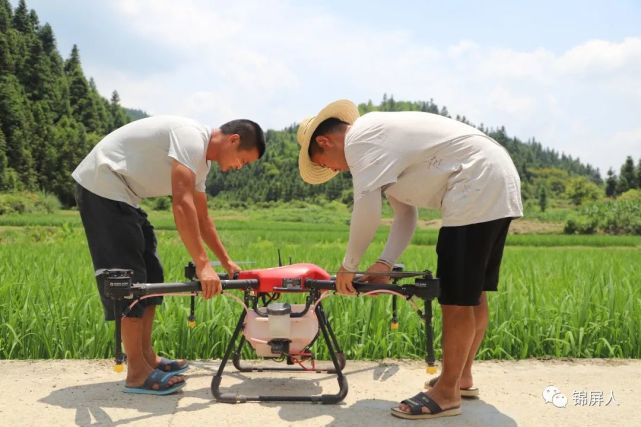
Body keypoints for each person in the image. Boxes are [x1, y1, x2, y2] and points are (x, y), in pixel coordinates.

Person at [296, 99, 522, 419]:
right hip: (494, 176)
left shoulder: (360, 140)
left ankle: (447, 393)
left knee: (456, 299)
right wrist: (384, 263)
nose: (335, 171)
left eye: (327, 165)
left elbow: (366, 204)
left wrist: (349, 266)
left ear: (324, 141)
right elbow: (405, 214)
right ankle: (461, 378)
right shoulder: (382, 146)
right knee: (472, 293)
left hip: (473, 182)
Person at [73, 115, 265, 395]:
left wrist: (225, 261)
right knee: (129, 281)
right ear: (234, 140)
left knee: (152, 275)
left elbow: (203, 218)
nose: (239, 167)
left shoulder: (201, 165)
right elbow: (182, 203)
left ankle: (147, 358)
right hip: (102, 186)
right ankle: (137, 373)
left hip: (123, 195)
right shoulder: (192, 139)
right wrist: (202, 265)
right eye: (243, 161)